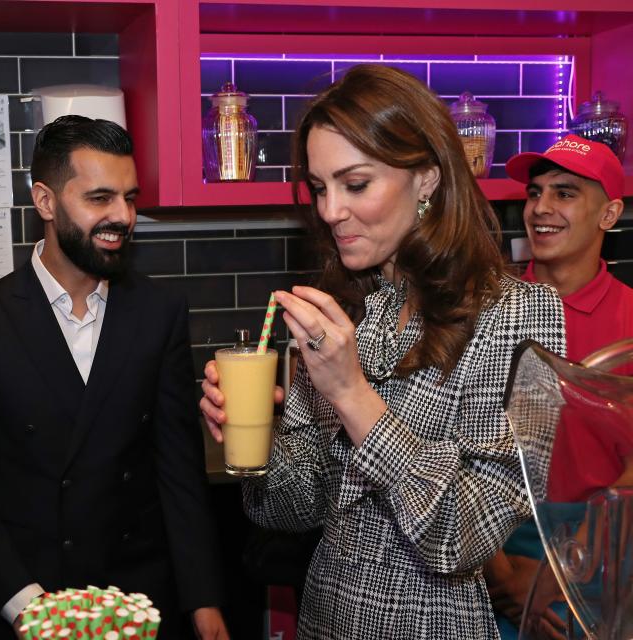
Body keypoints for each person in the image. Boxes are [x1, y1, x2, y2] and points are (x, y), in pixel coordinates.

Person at [199, 64, 565, 639]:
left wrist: (352, 396)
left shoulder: (520, 313)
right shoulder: (350, 310)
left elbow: (465, 536)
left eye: (356, 184)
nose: (329, 210)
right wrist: (259, 436)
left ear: (426, 178)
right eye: (320, 187)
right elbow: (291, 510)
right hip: (325, 620)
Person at [0, 115, 227, 640]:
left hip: (140, 604)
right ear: (45, 202)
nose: (123, 216)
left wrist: (203, 601)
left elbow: (178, 470)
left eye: (129, 198)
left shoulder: (160, 312)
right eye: (100, 198)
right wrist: (27, 606)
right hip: (30, 600)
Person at [485, 134, 633, 640]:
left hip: (601, 547)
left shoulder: (631, 317)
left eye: (565, 193)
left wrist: (565, 568)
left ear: (609, 214)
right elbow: (449, 444)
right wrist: (501, 574)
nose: (541, 208)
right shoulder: (487, 310)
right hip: (489, 540)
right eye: (534, 192)